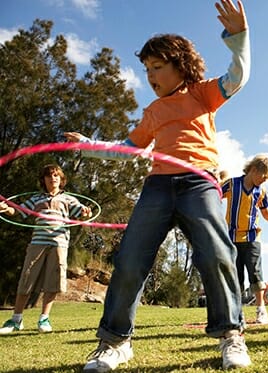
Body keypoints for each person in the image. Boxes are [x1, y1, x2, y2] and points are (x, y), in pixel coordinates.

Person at [65, 0, 252, 370]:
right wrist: (90, 146)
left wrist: (239, 38)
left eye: (157, 67)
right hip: (157, 186)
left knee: (216, 254)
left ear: (179, 65)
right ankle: (114, 342)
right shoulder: (152, 112)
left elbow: (238, 77)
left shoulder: (201, 93)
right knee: (130, 260)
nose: (150, 75)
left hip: (199, 182)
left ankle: (231, 335)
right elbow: (127, 150)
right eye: (146, 69)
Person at [0, 164, 91, 335]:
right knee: (27, 278)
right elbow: (17, 211)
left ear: (61, 179)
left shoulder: (69, 199)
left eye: (56, 175)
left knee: (53, 281)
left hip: (59, 244)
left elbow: (82, 213)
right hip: (37, 243)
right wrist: (5, 208)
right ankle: (16, 319)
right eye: (49, 176)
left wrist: (85, 211)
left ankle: (44, 318)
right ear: (43, 180)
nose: (53, 178)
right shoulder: (36, 199)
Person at [221, 155, 268, 324]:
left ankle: (261, 309)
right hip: (232, 237)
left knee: (255, 273)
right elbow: (214, 195)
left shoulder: (261, 192)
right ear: (254, 170)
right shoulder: (232, 184)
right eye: (263, 177)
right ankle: (236, 312)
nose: (264, 181)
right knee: (235, 275)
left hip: (252, 237)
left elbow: (265, 213)